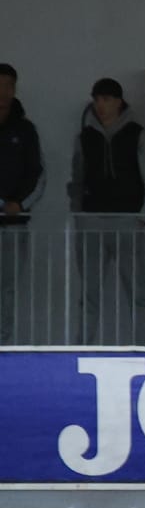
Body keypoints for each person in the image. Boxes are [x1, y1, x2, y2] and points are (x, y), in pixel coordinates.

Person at [70, 77, 145, 344]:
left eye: (106, 99)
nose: (101, 105)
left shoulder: (137, 135)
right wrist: (79, 215)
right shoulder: (85, 138)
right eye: (97, 99)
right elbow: (76, 180)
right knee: (89, 294)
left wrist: (142, 219)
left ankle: (144, 348)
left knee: (138, 292)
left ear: (119, 102)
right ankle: (82, 348)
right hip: (92, 220)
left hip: (128, 221)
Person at [0, 63, 48, 344]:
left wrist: (20, 204)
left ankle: (3, 345)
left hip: (14, 225)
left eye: (8, 85)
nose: (3, 92)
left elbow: (38, 173)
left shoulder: (26, 129)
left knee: (6, 289)